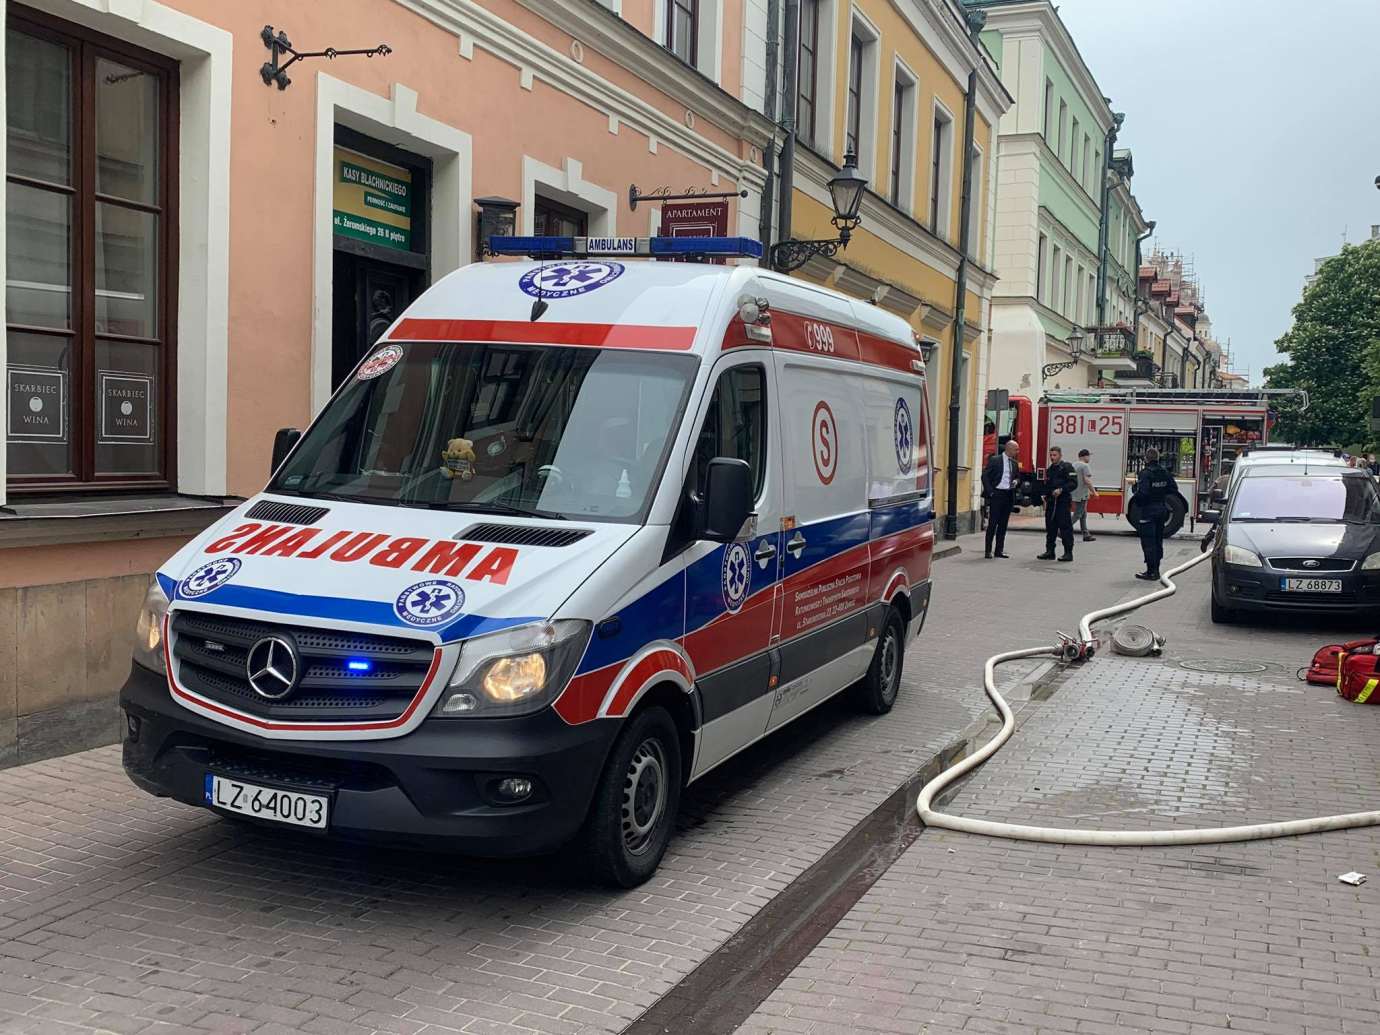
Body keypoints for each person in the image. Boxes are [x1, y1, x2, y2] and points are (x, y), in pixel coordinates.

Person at [1132, 446, 1174, 580]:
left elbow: (1143, 493)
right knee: (1158, 541)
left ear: (1146, 458)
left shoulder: (1145, 473)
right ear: (1157, 458)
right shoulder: (1164, 472)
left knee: (1148, 542)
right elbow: (1173, 488)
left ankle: (1151, 572)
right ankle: (1156, 569)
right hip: (1162, 510)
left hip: (1148, 511)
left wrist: (1135, 493)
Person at [1037, 445, 1077, 562]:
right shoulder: (1050, 470)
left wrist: (1061, 490)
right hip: (1051, 503)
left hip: (1063, 502)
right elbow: (1047, 486)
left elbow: (1074, 483)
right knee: (1050, 528)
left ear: (1060, 455)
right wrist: (1044, 494)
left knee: (1065, 528)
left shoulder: (1067, 467)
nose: (1052, 457)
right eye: (1051, 455)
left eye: (1054, 455)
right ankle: (1050, 551)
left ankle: (1068, 553)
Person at [981, 439, 1020, 559]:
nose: (1017, 451)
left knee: (1003, 524)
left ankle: (999, 550)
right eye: (1016, 449)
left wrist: (1016, 481)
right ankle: (988, 550)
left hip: (1008, 495)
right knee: (993, 523)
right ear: (1009, 449)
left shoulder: (1014, 463)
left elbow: (1018, 477)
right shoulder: (995, 460)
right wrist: (991, 492)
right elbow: (985, 476)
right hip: (996, 494)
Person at [1072, 448, 1098, 543]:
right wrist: (1094, 492)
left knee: (1083, 514)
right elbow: (1087, 480)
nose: (1089, 458)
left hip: (1074, 493)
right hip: (1082, 494)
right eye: (1088, 456)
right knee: (1078, 514)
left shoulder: (1073, 464)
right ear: (1085, 456)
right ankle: (1062, 531)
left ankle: (1086, 534)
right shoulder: (1085, 466)